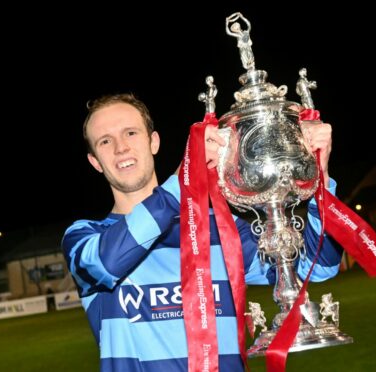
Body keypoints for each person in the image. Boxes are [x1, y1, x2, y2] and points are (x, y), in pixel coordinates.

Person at [62, 93, 342, 371]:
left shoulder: (220, 229)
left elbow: (315, 268)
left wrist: (320, 177)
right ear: (95, 161)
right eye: (105, 141)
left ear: (154, 142)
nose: (121, 148)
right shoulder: (85, 238)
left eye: (131, 133)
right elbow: (108, 261)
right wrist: (184, 179)